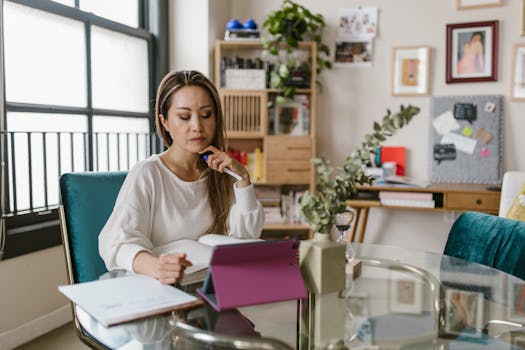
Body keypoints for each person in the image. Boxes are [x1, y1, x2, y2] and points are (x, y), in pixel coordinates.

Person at [99, 70, 264, 285]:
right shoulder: (148, 173)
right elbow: (115, 243)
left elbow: (246, 240)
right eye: (184, 117)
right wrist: (157, 267)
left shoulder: (221, 173)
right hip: (159, 288)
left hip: (212, 287)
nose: (197, 126)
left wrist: (242, 179)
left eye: (206, 115)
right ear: (165, 122)